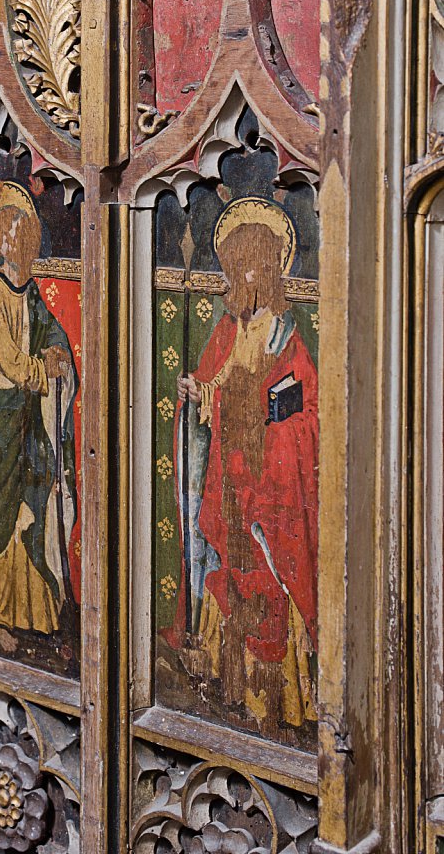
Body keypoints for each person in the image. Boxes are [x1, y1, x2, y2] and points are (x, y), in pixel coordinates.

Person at [168, 197, 318, 731]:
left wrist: (274, 427)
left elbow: (308, 411)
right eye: (235, 267)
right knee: (229, 571)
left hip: (269, 486)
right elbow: (216, 385)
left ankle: (270, 699)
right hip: (228, 475)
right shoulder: (228, 331)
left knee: (264, 579)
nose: (242, 278)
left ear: (270, 271)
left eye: (251, 267)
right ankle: (227, 677)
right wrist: (198, 392)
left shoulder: (285, 337)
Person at [0, 181, 78, 654]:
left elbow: (49, 330)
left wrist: (57, 351)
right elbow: (8, 359)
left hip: (22, 414)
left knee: (30, 508)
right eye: (5, 232)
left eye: (19, 231)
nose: (13, 240)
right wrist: (41, 371)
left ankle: (32, 609)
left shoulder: (27, 290)